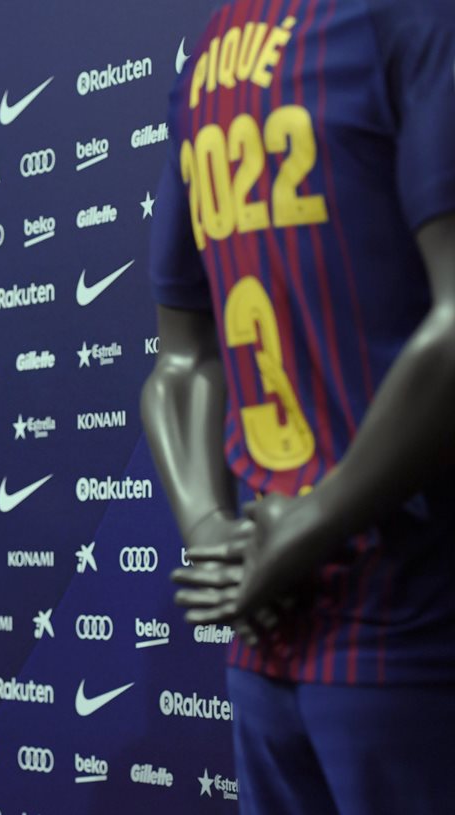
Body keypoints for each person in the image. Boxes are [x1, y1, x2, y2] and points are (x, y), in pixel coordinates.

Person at [142, 1, 455, 812]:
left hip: (274, 618)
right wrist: (290, 532)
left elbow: (178, 359)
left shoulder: (213, 55)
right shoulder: (412, 21)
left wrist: (217, 536)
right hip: (407, 620)